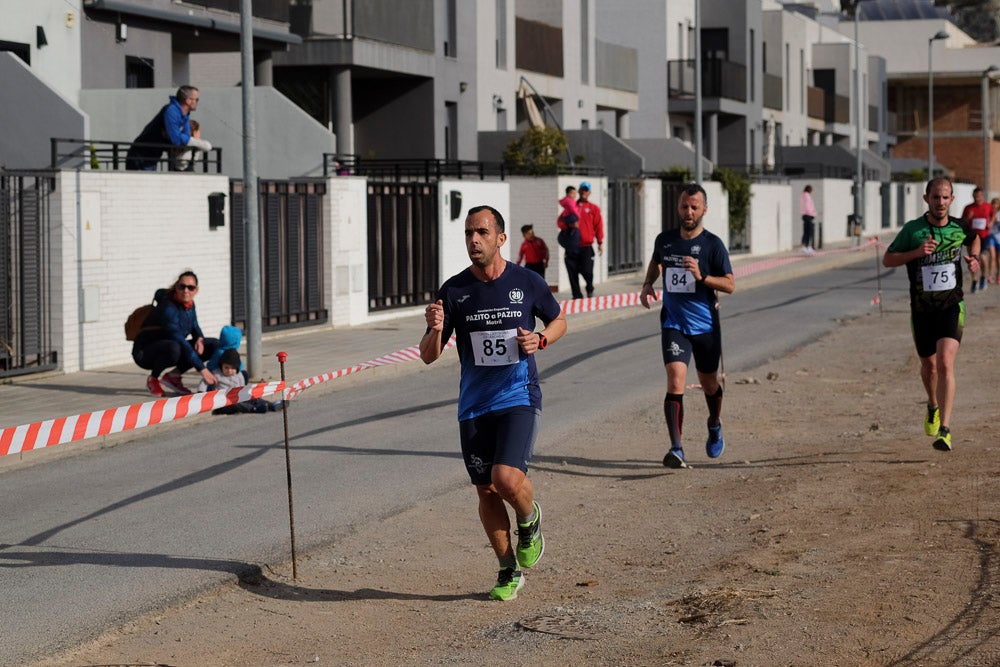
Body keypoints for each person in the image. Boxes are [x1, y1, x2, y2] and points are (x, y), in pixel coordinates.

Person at [420, 204, 567, 602]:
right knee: (485, 490)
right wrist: (435, 329)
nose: (474, 240)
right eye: (469, 232)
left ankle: (529, 518)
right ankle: (507, 571)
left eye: (482, 232)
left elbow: (559, 319)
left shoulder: (527, 282)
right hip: (474, 404)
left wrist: (542, 339)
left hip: (518, 395)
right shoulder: (454, 291)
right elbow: (428, 354)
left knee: (505, 479)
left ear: (501, 239)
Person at [639, 183, 735, 469]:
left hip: (705, 325)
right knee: (675, 380)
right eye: (684, 206)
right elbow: (657, 262)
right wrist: (647, 283)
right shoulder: (665, 240)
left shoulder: (713, 245)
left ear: (704, 210)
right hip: (674, 323)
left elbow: (730, 284)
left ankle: (714, 423)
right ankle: (676, 448)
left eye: (695, 207)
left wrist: (702, 276)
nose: (689, 211)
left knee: (708, 383)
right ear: (678, 208)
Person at [882, 177, 980, 452]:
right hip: (922, 310)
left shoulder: (959, 227)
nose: (940, 202)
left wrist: (973, 258)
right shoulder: (913, 230)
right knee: (930, 367)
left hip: (951, 305)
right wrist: (916, 252)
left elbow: (975, 240)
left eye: (945, 197)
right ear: (927, 199)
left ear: (951, 200)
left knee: (946, 362)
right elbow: (888, 259)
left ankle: (945, 430)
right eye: (935, 197)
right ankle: (932, 405)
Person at [131, 271, 219, 397]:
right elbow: (179, 340)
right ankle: (153, 379)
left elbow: (194, 324)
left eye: (190, 287)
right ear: (176, 287)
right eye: (182, 286)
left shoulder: (189, 304)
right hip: (145, 353)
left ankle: (173, 376)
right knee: (175, 348)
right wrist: (202, 369)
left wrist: (199, 338)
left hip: (171, 346)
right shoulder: (168, 308)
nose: (186, 291)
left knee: (212, 345)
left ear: (196, 290)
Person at [125, 86, 212, 171]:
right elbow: (176, 139)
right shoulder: (171, 110)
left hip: (151, 157)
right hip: (140, 156)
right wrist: (199, 143)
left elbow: (186, 136)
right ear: (188, 100)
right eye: (196, 99)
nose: (197, 102)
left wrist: (191, 146)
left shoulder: (184, 115)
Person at [559, 181, 605, 299]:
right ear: (579, 191)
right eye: (582, 190)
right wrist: (569, 225)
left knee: (587, 271)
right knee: (572, 272)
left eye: (586, 190)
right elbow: (560, 222)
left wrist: (600, 242)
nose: (584, 192)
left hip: (586, 246)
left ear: (589, 192)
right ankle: (577, 295)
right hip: (572, 246)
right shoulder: (571, 206)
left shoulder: (593, 208)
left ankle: (589, 288)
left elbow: (598, 226)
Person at [960, 186, 993, 292]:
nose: (977, 199)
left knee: (983, 256)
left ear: (982, 196)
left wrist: (991, 223)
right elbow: (962, 222)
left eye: (978, 197)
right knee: (972, 258)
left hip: (984, 235)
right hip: (972, 236)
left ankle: (983, 277)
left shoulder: (988, 206)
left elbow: (993, 216)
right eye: (975, 197)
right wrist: (968, 218)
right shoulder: (968, 207)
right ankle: (974, 280)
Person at [800, 184, 818, 254]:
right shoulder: (807, 196)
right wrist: (812, 212)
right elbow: (808, 206)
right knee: (809, 231)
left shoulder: (803, 195)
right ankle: (807, 247)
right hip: (808, 215)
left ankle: (806, 247)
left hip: (806, 215)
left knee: (806, 231)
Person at [991, 197, 1000, 284]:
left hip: (999, 238)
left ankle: (998, 274)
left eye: (996, 203)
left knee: (998, 258)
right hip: (991, 236)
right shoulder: (990, 213)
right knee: (992, 256)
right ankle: (990, 275)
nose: (994, 205)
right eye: (993, 203)